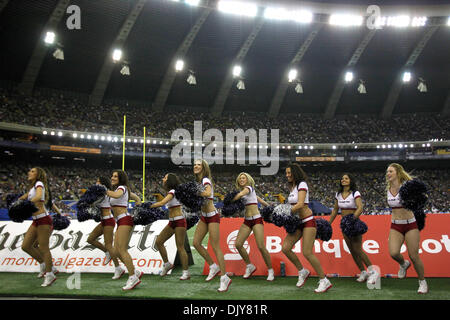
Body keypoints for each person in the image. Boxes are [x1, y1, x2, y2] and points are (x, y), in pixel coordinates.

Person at [281, 163, 332, 293]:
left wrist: (285, 211)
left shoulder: (302, 184)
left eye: (289, 173)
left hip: (308, 221)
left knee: (307, 252)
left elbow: (301, 204)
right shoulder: (292, 187)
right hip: (297, 223)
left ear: (295, 173)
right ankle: (302, 271)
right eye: (286, 173)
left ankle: (324, 280)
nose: (287, 175)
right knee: (286, 248)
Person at [329, 173, 378, 284]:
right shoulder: (338, 194)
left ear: (351, 181)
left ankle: (373, 272)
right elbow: (335, 210)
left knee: (358, 249)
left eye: (346, 178)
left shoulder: (355, 193)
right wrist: (329, 223)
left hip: (354, 223)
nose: (343, 180)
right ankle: (363, 272)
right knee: (352, 250)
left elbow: (360, 208)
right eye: (342, 178)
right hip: (344, 224)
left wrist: (352, 220)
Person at [386, 163, 427, 294]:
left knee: (414, 256)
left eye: (390, 171)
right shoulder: (388, 188)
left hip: (410, 224)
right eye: (387, 172)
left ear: (397, 172)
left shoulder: (407, 186)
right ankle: (404, 264)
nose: (388, 174)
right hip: (395, 224)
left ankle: (422, 282)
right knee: (393, 253)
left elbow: (423, 197)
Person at [192, 159, 231, 292]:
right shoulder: (198, 182)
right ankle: (213, 266)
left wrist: (194, 193)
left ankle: (225, 277)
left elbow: (208, 193)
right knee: (196, 242)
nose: (196, 166)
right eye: (195, 164)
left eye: (198, 164)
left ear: (204, 167)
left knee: (215, 246)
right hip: (204, 216)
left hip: (212, 216)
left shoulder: (205, 180)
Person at [232, 172, 274, 281]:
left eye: (243, 178)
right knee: (238, 244)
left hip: (256, 219)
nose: (241, 180)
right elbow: (258, 198)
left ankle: (270, 270)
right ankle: (250, 266)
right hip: (247, 220)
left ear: (248, 179)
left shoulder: (248, 188)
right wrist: (268, 205)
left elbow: (241, 195)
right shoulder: (246, 192)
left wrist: (229, 200)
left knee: (261, 246)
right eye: (240, 178)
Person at [106, 170, 143, 290]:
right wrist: (138, 203)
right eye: (112, 175)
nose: (112, 177)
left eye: (115, 176)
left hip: (125, 220)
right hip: (120, 221)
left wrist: (104, 191)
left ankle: (133, 277)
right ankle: (134, 271)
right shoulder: (119, 190)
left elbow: (116, 196)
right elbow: (136, 198)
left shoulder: (122, 188)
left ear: (120, 178)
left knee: (121, 250)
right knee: (116, 251)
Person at [20, 167, 56, 287]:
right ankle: (44, 264)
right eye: (29, 170)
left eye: (32, 171)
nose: (29, 172)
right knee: (26, 246)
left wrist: (26, 203)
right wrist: (19, 201)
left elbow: (39, 196)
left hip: (44, 219)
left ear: (38, 174)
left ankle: (50, 274)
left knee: (43, 247)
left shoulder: (39, 184)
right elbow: (27, 196)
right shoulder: (33, 187)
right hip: (36, 221)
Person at [153, 173, 190, 280]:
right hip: (172, 222)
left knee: (180, 247)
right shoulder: (171, 192)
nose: (163, 179)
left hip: (179, 221)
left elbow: (162, 203)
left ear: (170, 181)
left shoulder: (173, 192)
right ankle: (167, 264)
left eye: (165, 178)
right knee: (159, 242)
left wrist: (147, 206)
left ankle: (186, 272)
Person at [86, 177, 124, 280]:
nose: (96, 182)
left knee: (109, 245)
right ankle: (107, 252)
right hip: (104, 221)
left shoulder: (103, 191)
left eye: (98, 181)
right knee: (90, 239)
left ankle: (118, 268)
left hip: (108, 221)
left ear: (102, 183)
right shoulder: (100, 192)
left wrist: (88, 201)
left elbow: (94, 202)